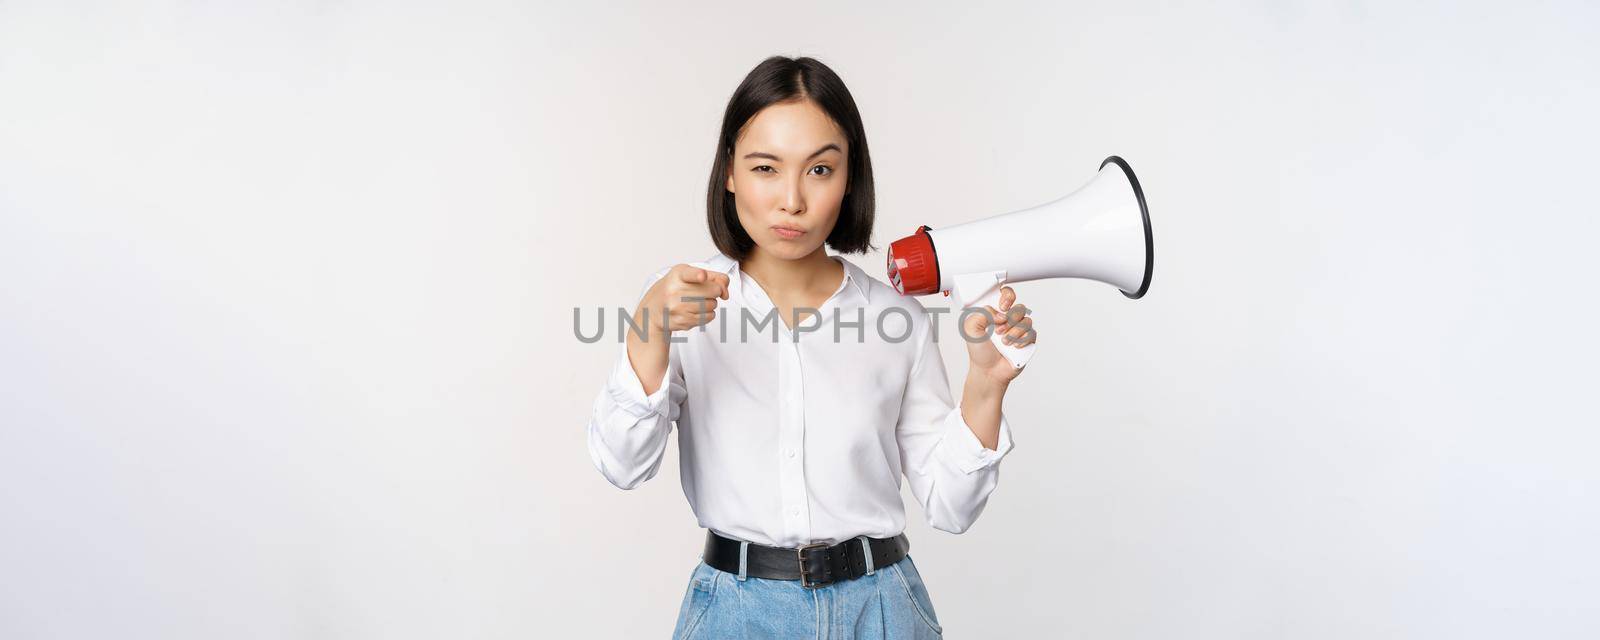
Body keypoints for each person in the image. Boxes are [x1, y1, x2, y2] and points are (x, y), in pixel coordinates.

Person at [586, 55, 1038, 639]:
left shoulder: (896, 319)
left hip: (882, 611)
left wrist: (987, 383)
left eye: (820, 170)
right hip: (735, 614)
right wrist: (648, 329)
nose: (792, 201)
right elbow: (623, 465)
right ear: (729, 172)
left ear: (850, 177)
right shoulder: (680, 304)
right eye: (765, 168)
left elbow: (951, 507)